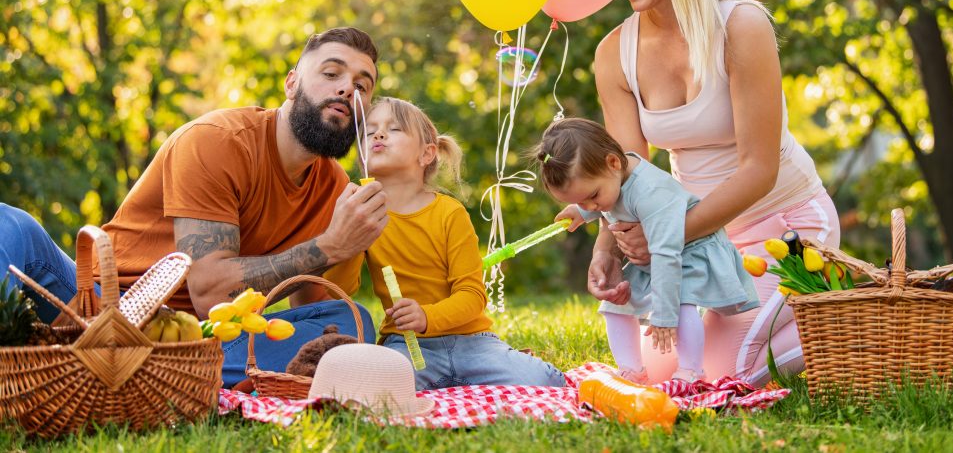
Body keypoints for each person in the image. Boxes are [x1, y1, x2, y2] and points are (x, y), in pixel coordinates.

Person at [0, 27, 390, 386]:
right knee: (11, 225)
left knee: (348, 325)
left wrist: (351, 244)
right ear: (291, 83)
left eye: (362, 85)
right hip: (106, 308)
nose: (346, 90)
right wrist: (329, 245)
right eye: (332, 73)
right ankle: (151, 372)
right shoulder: (217, 141)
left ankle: (147, 374)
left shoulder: (338, 189)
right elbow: (208, 293)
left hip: (208, 338)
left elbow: (315, 312)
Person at [588, 0, 841, 386]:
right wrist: (608, 247)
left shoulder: (741, 26)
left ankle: (836, 311)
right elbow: (626, 175)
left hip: (785, 228)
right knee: (655, 374)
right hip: (699, 244)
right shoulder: (614, 53)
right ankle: (789, 316)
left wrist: (667, 238)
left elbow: (759, 170)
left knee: (715, 375)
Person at [325, 97, 565, 390]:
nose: (378, 134)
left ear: (426, 154)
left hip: (472, 342)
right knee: (372, 388)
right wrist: (347, 236)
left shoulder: (449, 213)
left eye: (394, 128)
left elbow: (472, 295)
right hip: (407, 345)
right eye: (369, 130)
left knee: (545, 382)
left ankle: (500, 365)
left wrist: (427, 316)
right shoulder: (361, 210)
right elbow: (341, 288)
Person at [533, 118, 758, 384]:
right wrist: (581, 211)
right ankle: (631, 370)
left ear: (613, 163)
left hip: (690, 251)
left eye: (592, 196)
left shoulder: (650, 192)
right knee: (616, 303)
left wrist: (664, 314)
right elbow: (606, 200)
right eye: (580, 201)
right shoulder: (611, 178)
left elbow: (667, 254)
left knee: (682, 304)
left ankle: (691, 371)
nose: (592, 206)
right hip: (654, 256)